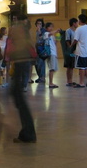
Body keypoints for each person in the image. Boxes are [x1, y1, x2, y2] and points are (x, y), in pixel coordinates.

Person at [6, 14, 37, 143]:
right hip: (21, 63)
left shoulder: (19, 28)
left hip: (20, 63)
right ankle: (27, 132)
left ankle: (28, 133)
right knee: (18, 98)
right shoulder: (23, 28)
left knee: (19, 99)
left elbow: (19, 46)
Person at [71, 14, 87, 88]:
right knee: (85, 66)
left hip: (81, 50)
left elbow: (76, 40)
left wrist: (71, 46)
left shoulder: (79, 29)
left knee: (81, 67)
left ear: (80, 20)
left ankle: (81, 82)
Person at [43, 22, 60, 88]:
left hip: (54, 53)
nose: (52, 28)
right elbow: (50, 33)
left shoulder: (52, 36)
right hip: (50, 53)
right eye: (50, 27)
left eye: (52, 27)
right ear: (47, 28)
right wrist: (56, 30)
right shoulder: (46, 33)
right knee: (52, 68)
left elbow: (55, 42)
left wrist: (58, 36)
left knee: (54, 68)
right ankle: (50, 83)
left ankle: (51, 81)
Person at [61, 17, 78, 86]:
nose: (77, 24)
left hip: (74, 49)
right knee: (69, 65)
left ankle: (71, 80)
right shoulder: (68, 31)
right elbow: (67, 40)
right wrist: (70, 47)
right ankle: (69, 81)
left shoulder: (76, 31)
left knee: (72, 66)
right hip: (70, 49)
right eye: (76, 23)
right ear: (73, 23)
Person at [34, 18, 46, 83]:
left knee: (41, 63)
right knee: (37, 63)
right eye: (38, 23)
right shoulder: (37, 31)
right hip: (38, 48)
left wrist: (39, 31)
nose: (39, 25)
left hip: (42, 49)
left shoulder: (43, 30)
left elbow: (42, 38)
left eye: (40, 24)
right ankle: (40, 76)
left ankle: (42, 77)